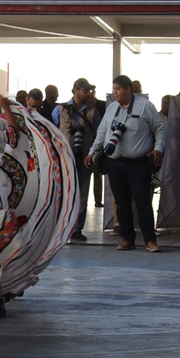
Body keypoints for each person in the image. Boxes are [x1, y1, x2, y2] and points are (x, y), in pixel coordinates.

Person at [86, 74, 166, 253]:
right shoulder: (112, 108)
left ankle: (150, 240)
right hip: (114, 162)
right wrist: (91, 152)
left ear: (129, 89)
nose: (115, 93)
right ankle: (127, 238)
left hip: (138, 163)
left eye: (118, 89)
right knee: (121, 202)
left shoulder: (145, 106)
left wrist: (158, 148)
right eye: (114, 89)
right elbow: (102, 133)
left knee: (142, 201)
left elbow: (160, 128)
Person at [56, 78, 101, 242]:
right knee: (63, 194)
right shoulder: (60, 109)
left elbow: (99, 134)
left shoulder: (92, 111)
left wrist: (94, 154)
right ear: (75, 90)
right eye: (85, 90)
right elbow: (52, 132)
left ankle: (77, 229)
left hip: (84, 158)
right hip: (64, 158)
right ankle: (62, 228)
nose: (88, 93)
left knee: (82, 194)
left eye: (89, 90)